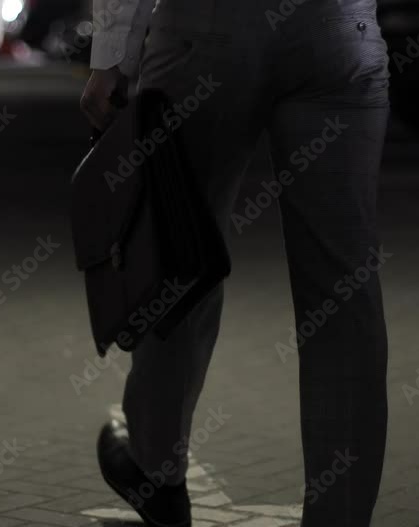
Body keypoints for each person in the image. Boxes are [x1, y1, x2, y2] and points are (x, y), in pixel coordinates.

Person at [80, 0, 390, 525]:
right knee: (342, 291)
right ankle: (340, 515)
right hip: (339, 30)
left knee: (177, 256)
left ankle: (157, 472)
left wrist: (112, 54)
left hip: (206, 31)